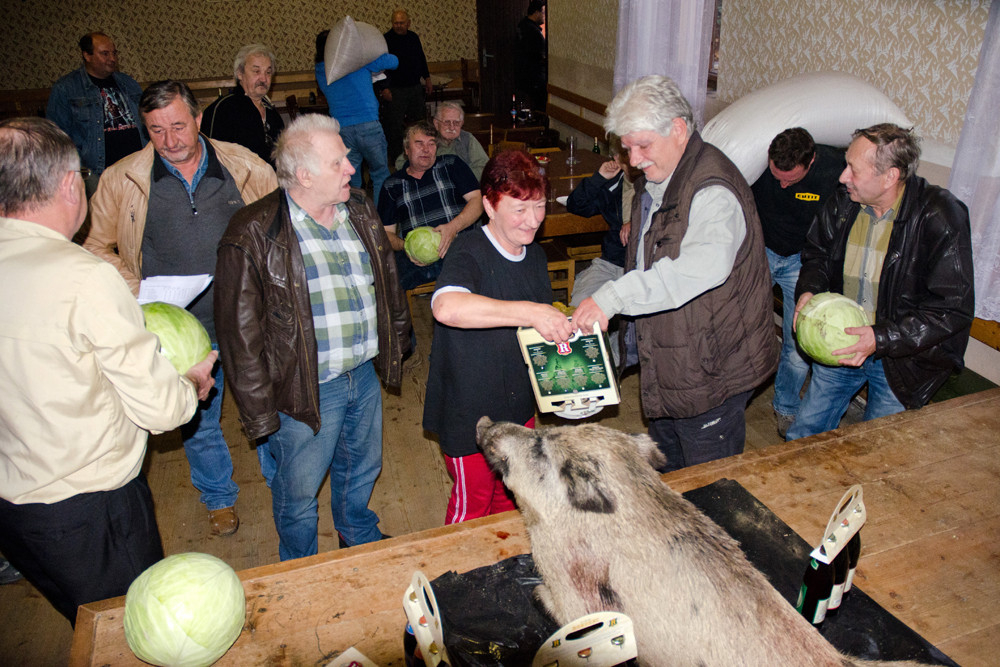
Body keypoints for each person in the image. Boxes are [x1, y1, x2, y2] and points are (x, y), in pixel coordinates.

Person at [0, 117, 215, 624]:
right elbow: (162, 410)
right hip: (89, 510)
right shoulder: (85, 277)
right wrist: (191, 382)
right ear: (69, 185)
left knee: (86, 622)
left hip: (14, 509)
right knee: (134, 630)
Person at [84, 80, 278, 536]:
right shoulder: (123, 179)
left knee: (264, 406)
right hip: (180, 328)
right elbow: (94, 245)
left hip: (246, 317)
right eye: (156, 130)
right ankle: (218, 497)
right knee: (197, 418)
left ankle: (281, 482)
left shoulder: (245, 166)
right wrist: (138, 288)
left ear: (197, 118)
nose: (169, 141)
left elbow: (281, 229)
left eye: (177, 126)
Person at [215, 113, 410, 559]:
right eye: (338, 162)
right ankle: (299, 566)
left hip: (362, 373)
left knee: (361, 470)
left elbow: (387, 280)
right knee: (299, 493)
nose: (351, 169)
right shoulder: (252, 231)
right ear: (303, 175)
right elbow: (239, 337)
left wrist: (398, 340)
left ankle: (357, 534)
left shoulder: (358, 208)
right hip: (303, 388)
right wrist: (260, 414)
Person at [573, 76, 777, 472]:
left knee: (708, 483)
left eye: (642, 146)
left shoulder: (713, 189)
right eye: (627, 148)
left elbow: (697, 269)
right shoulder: (661, 175)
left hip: (711, 371)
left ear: (679, 129)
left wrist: (613, 297)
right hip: (672, 360)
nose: (633, 160)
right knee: (668, 469)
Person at [786, 124, 974, 441]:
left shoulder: (939, 215)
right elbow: (817, 254)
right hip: (841, 342)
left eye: (853, 169)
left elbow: (952, 309)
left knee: (875, 448)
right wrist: (809, 291)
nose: (843, 177)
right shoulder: (844, 201)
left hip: (901, 359)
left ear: (890, 177)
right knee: (804, 434)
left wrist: (879, 338)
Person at [424, 150, 574, 524]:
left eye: (539, 206)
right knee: (473, 509)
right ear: (489, 206)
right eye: (519, 209)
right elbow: (446, 307)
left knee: (512, 499)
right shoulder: (468, 250)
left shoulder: (535, 257)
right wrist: (531, 311)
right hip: (470, 414)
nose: (533, 220)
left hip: (519, 406)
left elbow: (538, 338)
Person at [752, 128, 845, 437]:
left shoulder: (834, 169)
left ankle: (786, 407)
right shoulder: (756, 161)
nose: (782, 185)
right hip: (762, 250)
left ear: (812, 160)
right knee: (741, 325)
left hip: (803, 260)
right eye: (776, 177)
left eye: (790, 180)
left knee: (797, 340)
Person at [378, 120, 483, 290]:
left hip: (460, 249)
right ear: (406, 150)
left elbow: (478, 201)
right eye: (419, 143)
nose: (426, 149)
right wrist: (407, 247)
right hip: (418, 261)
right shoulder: (392, 185)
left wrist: (453, 228)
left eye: (431, 143)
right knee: (385, 282)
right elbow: (385, 234)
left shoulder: (451, 165)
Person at [46, 32, 145, 196]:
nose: (112, 58)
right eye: (105, 53)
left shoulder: (128, 83)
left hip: (136, 168)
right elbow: (56, 137)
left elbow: (146, 121)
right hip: (97, 173)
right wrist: (80, 172)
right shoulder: (66, 88)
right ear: (87, 55)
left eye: (114, 53)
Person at [315, 29, 397, 205]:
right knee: (380, 174)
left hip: (341, 130)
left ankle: (355, 217)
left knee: (350, 178)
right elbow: (393, 61)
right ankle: (380, 218)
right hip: (368, 125)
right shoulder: (357, 63)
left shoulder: (320, 71)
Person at [566, 144, 637, 308]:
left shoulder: (653, 183)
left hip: (641, 265)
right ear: (617, 159)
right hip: (611, 263)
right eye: (626, 154)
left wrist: (635, 222)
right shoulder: (613, 186)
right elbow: (576, 205)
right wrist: (599, 178)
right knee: (580, 304)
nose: (634, 159)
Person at [201, 44, 285, 166]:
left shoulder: (273, 115)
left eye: (268, 72)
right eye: (256, 71)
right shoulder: (223, 110)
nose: (263, 78)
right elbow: (212, 160)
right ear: (240, 73)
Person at [381, 9, 433, 163]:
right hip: (395, 90)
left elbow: (421, 59)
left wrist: (427, 78)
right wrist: (384, 87)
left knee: (419, 124)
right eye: (395, 23)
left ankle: (419, 156)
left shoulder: (413, 37)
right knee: (394, 127)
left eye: (401, 23)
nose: (398, 26)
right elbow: (381, 67)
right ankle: (398, 159)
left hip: (414, 87)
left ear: (408, 23)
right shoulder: (385, 40)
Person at [394, 102, 489, 179]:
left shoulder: (467, 138)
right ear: (436, 123)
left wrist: (458, 177)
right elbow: (400, 163)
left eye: (456, 123)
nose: (452, 127)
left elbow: (484, 167)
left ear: (462, 123)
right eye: (447, 122)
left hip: (464, 190)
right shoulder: (428, 139)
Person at [514, 1, 548, 112]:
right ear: (536, 12)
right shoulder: (533, 32)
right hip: (535, 77)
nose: (545, 16)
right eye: (543, 12)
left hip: (524, 77)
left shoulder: (522, 26)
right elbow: (539, 55)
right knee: (539, 108)